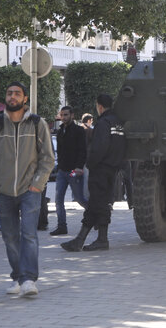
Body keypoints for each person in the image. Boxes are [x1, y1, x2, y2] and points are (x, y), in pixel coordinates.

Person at [0, 81, 54, 297]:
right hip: (2, 192)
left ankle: (29, 279)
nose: (13, 97)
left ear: (25, 99)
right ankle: (17, 278)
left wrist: (37, 185)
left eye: (17, 94)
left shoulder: (37, 124)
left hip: (29, 191)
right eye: (9, 93)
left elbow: (48, 158)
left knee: (29, 234)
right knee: (10, 237)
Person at [62, 94, 126, 252]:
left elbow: (99, 148)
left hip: (101, 170)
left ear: (100, 106)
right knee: (100, 205)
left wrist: (90, 164)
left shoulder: (103, 123)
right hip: (113, 169)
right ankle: (92, 239)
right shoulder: (119, 123)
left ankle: (88, 240)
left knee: (97, 204)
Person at [50, 106, 88, 236]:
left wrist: (79, 167)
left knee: (79, 198)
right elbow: (59, 151)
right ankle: (61, 226)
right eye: (62, 115)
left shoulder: (78, 131)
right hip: (62, 171)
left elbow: (83, 150)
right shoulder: (60, 131)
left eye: (66, 115)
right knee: (58, 199)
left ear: (72, 115)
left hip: (73, 171)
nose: (63, 117)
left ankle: (96, 217)